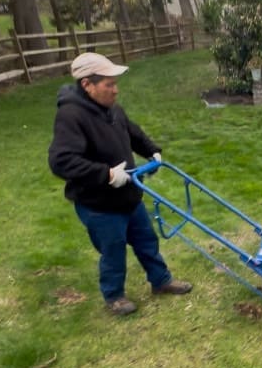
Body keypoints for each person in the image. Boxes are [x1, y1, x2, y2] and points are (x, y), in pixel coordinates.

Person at [48, 52, 192, 316]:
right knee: (113, 250)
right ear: (87, 85)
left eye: (115, 83)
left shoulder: (112, 109)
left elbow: (132, 132)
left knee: (146, 240)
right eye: (109, 84)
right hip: (99, 205)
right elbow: (61, 161)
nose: (116, 90)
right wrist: (106, 175)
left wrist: (152, 151)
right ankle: (114, 296)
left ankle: (161, 281)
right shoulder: (71, 115)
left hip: (128, 196)